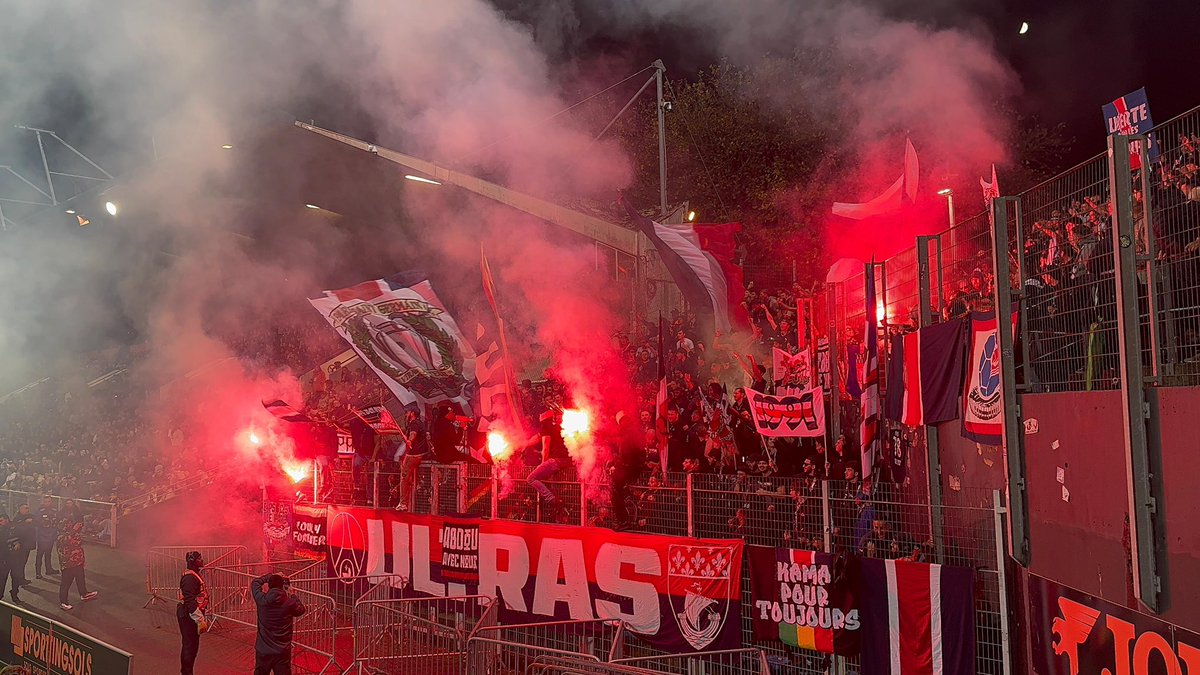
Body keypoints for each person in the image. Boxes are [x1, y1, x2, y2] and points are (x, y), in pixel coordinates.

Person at [252, 573, 307, 675]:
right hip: (282, 651)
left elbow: (255, 583)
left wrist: (270, 576)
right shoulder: (289, 603)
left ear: (268, 585)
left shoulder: (261, 600)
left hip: (263, 650)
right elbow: (301, 610)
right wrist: (293, 595)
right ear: (282, 586)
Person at [527, 410, 573, 520]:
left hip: (555, 461)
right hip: (567, 460)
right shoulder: (557, 426)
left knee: (531, 478)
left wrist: (542, 465)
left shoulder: (545, 425)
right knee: (554, 485)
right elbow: (538, 437)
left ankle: (553, 500)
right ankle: (560, 512)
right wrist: (523, 444)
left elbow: (546, 447)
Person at [178, 551, 209, 675]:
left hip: (191, 614)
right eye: (199, 558)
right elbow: (189, 599)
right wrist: (199, 618)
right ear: (193, 561)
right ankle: (186, 672)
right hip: (188, 615)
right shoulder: (190, 578)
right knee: (189, 646)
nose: (202, 560)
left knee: (192, 646)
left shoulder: (194, 575)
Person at [57, 521, 97, 610]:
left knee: (80, 578)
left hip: (78, 561)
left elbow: (79, 546)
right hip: (68, 564)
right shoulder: (61, 535)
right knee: (66, 583)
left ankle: (84, 594)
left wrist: (82, 560)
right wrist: (74, 530)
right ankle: (63, 602)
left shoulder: (75, 534)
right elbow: (65, 540)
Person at [395, 409, 429, 511]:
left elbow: (413, 434)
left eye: (407, 412)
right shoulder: (421, 423)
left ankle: (403, 503)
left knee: (404, 478)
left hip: (414, 455)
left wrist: (410, 441)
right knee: (412, 479)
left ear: (412, 413)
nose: (406, 414)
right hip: (421, 454)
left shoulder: (414, 424)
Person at [11, 504, 34, 589]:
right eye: (25, 508)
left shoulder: (30, 516)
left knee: (23, 562)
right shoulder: (17, 519)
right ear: (20, 509)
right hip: (21, 544)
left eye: (28, 508)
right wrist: (25, 523)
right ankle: (19, 580)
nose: (27, 510)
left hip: (27, 544)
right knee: (19, 563)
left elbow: (37, 520)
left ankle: (22, 578)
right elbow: (16, 530)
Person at [35, 497, 59, 578]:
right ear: (43, 502)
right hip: (42, 536)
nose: (47, 503)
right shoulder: (39, 511)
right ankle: (38, 572)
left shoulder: (54, 510)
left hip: (51, 535)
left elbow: (57, 521)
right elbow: (36, 521)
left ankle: (49, 569)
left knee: (48, 553)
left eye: (49, 501)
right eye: (45, 501)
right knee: (40, 554)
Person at [0, 514, 19, 604]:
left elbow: (18, 537)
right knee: (2, 578)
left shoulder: (13, 527)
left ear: (7, 520)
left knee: (15, 577)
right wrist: (14, 542)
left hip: (14, 557)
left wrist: (17, 542)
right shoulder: (1, 530)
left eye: (2, 520)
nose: (1, 523)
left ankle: (14, 594)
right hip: (4, 558)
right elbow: (3, 541)